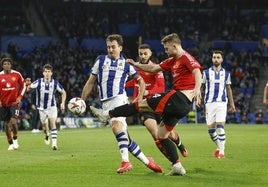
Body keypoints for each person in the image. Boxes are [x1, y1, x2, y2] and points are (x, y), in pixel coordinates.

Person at [90, 33, 202, 175]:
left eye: (167, 49)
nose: (166, 52)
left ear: (174, 46)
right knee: (161, 135)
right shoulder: (172, 60)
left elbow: (197, 71)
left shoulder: (185, 57)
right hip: (181, 105)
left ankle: (107, 114)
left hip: (178, 97)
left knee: (140, 104)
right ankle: (177, 166)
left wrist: (197, 89)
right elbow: (154, 68)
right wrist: (137, 65)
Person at [81, 34, 163, 174]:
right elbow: (90, 82)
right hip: (105, 103)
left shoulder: (126, 64)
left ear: (120, 47)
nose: (110, 49)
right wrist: (82, 100)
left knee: (116, 125)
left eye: (113, 47)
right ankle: (148, 162)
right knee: (126, 139)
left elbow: (140, 81)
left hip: (119, 99)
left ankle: (125, 162)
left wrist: (138, 98)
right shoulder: (100, 61)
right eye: (108, 47)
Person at [125, 43, 188, 157]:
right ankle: (173, 159)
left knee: (169, 134)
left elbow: (160, 88)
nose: (143, 56)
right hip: (144, 106)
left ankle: (180, 144)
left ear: (150, 54)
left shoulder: (156, 68)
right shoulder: (136, 68)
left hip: (157, 104)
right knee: (155, 133)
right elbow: (135, 81)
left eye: (145, 54)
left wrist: (148, 92)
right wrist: (123, 85)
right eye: (140, 54)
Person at [201, 50, 236, 159]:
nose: (216, 59)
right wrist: (199, 98)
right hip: (209, 103)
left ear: (222, 59)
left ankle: (222, 152)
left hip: (221, 103)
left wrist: (232, 104)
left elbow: (228, 89)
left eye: (218, 57)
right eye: (214, 57)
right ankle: (219, 147)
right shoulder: (206, 73)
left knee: (220, 126)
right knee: (211, 131)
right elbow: (201, 87)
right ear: (212, 59)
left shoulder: (226, 73)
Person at [25, 64, 66, 150]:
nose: (47, 73)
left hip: (52, 107)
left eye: (49, 71)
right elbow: (28, 90)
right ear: (43, 73)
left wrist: (62, 103)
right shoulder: (38, 82)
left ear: (51, 73)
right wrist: (26, 85)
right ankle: (47, 134)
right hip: (41, 108)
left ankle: (54, 144)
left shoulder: (55, 83)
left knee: (52, 123)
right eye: (46, 71)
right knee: (44, 126)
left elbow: (63, 92)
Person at [0, 57, 26, 150]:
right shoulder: (0, 76)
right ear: (2, 66)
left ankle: (15, 140)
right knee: (6, 124)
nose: (7, 65)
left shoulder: (17, 74)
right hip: (3, 104)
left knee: (14, 122)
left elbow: (23, 86)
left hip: (14, 103)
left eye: (8, 64)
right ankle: (10, 143)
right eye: (5, 64)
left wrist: (20, 97)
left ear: (11, 65)